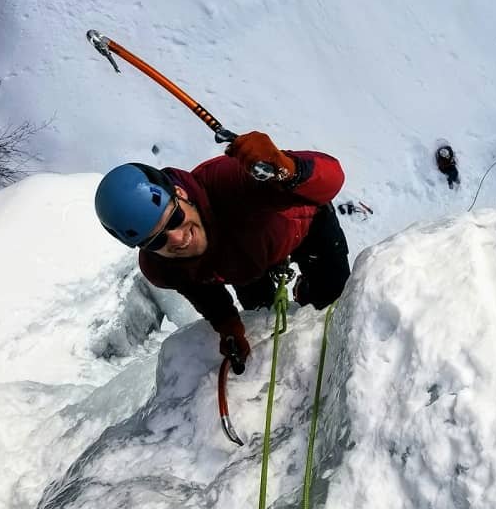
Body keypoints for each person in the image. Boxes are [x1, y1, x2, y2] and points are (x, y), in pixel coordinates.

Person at [94, 131, 349, 374]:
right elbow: (200, 290)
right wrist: (228, 327)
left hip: (307, 230)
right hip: (243, 266)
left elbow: (332, 178)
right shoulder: (160, 267)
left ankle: (305, 290)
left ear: (180, 193)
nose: (178, 238)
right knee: (261, 315)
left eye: (174, 219)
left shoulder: (230, 182)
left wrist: (287, 169)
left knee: (333, 300)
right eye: (157, 240)